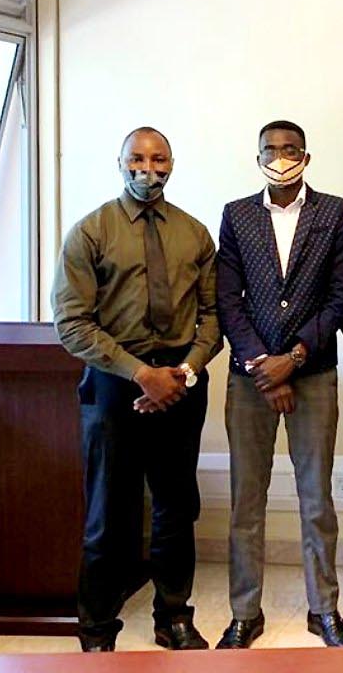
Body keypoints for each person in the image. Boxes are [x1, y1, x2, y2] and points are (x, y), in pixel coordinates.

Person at [53, 127, 221, 652]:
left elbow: (213, 317)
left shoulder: (194, 233)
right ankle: (98, 632)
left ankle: (174, 617)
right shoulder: (91, 231)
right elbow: (72, 323)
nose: (148, 167)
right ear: (120, 162)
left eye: (159, 158)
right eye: (138, 158)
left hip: (181, 383)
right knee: (110, 516)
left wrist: (184, 372)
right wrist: (138, 373)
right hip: (113, 387)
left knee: (176, 509)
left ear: (173, 164)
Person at [215, 120, 343, 648]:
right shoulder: (237, 215)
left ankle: (324, 609)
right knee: (245, 502)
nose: (280, 156)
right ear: (256, 157)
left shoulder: (334, 212)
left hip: (313, 373)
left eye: (289, 148)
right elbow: (228, 299)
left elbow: (342, 297)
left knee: (316, 499)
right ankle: (244, 614)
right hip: (248, 378)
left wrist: (293, 358)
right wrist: (262, 363)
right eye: (270, 149)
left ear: (306, 155)